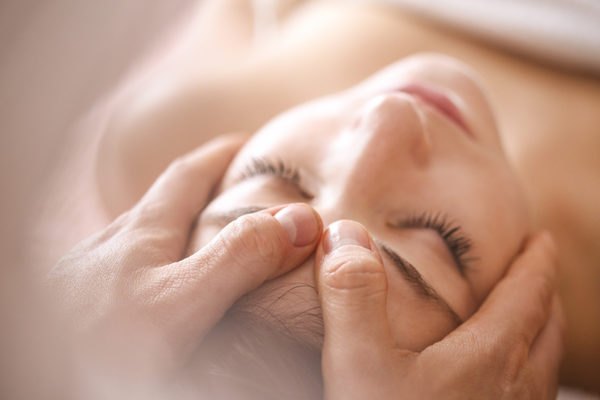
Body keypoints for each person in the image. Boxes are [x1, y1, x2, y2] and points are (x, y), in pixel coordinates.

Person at [93, 0, 600, 393]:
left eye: (276, 175)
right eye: (436, 234)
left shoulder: (162, 140)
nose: (388, 117)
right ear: (510, 343)